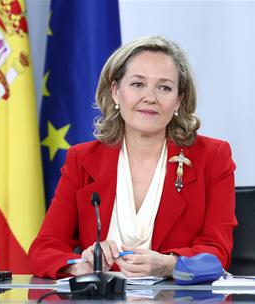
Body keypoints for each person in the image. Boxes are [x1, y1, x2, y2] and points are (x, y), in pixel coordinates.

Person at [28, 36, 237, 279]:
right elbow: (44, 249)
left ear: (178, 100)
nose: (150, 97)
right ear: (116, 92)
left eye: (165, 87)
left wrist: (169, 265)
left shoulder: (212, 157)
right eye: (138, 84)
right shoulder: (82, 159)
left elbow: (217, 253)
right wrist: (81, 266)